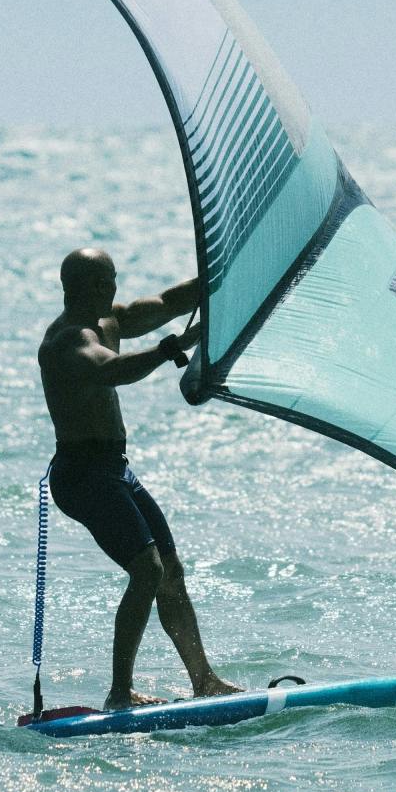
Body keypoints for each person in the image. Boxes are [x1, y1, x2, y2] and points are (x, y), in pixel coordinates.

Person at [38, 247, 239, 709]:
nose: (115, 286)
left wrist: (225, 270)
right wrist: (173, 347)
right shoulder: (65, 342)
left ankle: (204, 680)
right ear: (90, 287)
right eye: (109, 280)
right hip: (82, 474)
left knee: (171, 571)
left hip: (115, 468)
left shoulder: (110, 321)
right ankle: (119, 692)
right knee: (146, 570)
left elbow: (171, 301)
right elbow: (114, 370)